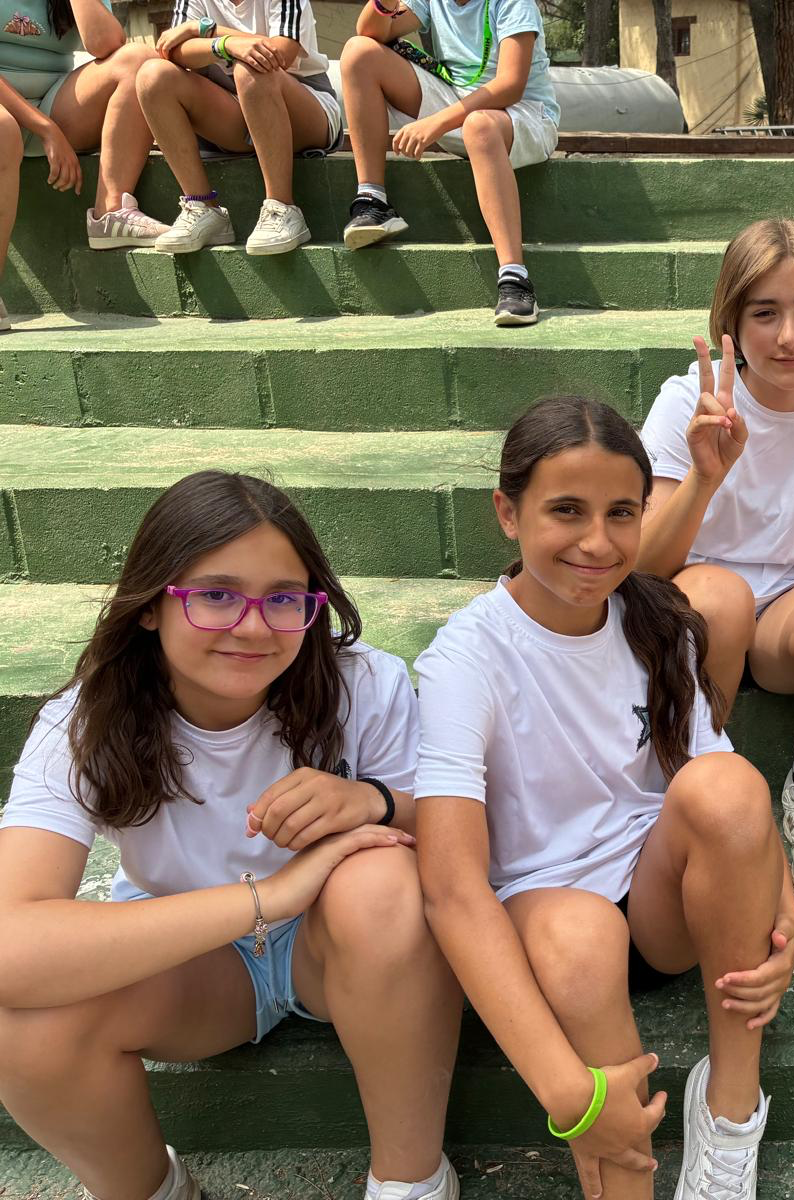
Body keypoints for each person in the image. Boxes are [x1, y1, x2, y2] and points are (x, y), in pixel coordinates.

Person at [0, 471, 463, 1200]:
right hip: (195, 963)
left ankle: (410, 1181)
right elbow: (12, 942)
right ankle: (153, 1189)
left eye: (284, 598)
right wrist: (270, 896)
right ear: (150, 605)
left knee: (380, 880)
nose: (253, 627)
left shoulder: (363, 683)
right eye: (216, 595)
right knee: (23, 1022)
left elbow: (457, 838)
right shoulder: (84, 724)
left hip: (340, 952)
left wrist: (371, 800)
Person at [415, 396, 794, 1200]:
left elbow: (722, 782)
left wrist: (783, 911)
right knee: (581, 934)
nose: (597, 542)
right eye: (567, 510)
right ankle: (622, 1174)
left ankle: (730, 1108)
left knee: (729, 783)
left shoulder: (659, 623)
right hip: (548, 919)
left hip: (661, 904)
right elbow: (451, 889)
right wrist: (572, 1096)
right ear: (508, 514)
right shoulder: (466, 657)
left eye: (622, 513)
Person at [638, 218, 794, 902]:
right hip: (696, 605)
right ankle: (688, 783)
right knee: (718, 598)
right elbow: (644, 565)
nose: (789, 336)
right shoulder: (686, 403)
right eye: (764, 313)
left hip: (791, 615)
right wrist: (704, 475)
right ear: (731, 322)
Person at [339, 0, 561, 326]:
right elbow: (370, 32)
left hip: (524, 116)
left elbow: (511, 85)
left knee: (479, 126)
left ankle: (515, 278)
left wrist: (437, 123)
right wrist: (384, 4)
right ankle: (372, 200)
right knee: (358, 51)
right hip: (460, 104)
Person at [0, 0, 165, 327]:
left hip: (55, 103)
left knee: (139, 61)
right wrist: (45, 129)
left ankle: (110, 211)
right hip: (12, 116)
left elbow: (106, 43)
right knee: (3, 130)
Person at [136, 0, 342, 255]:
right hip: (236, 109)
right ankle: (202, 206)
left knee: (252, 66)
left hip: (306, 109)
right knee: (152, 76)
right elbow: (173, 50)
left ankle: (282, 207)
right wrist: (226, 44)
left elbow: (280, 53)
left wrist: (205, 30)